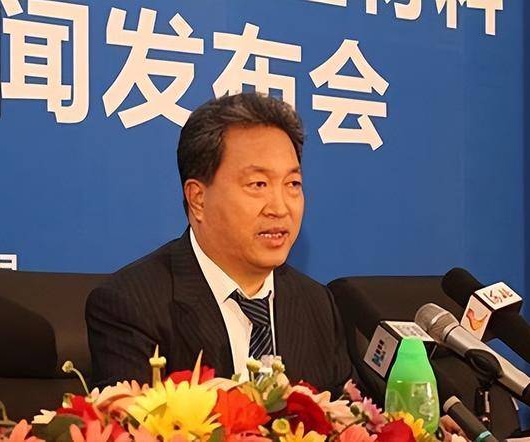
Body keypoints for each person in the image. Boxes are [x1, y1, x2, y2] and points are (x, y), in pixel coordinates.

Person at [85, 92, 355, 396]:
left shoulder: (318, 304)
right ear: (198, 199)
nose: (280, 208)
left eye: (292, 184)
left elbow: (346, 415)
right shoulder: (131, 306)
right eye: (258, 184)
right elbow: (133, 420)